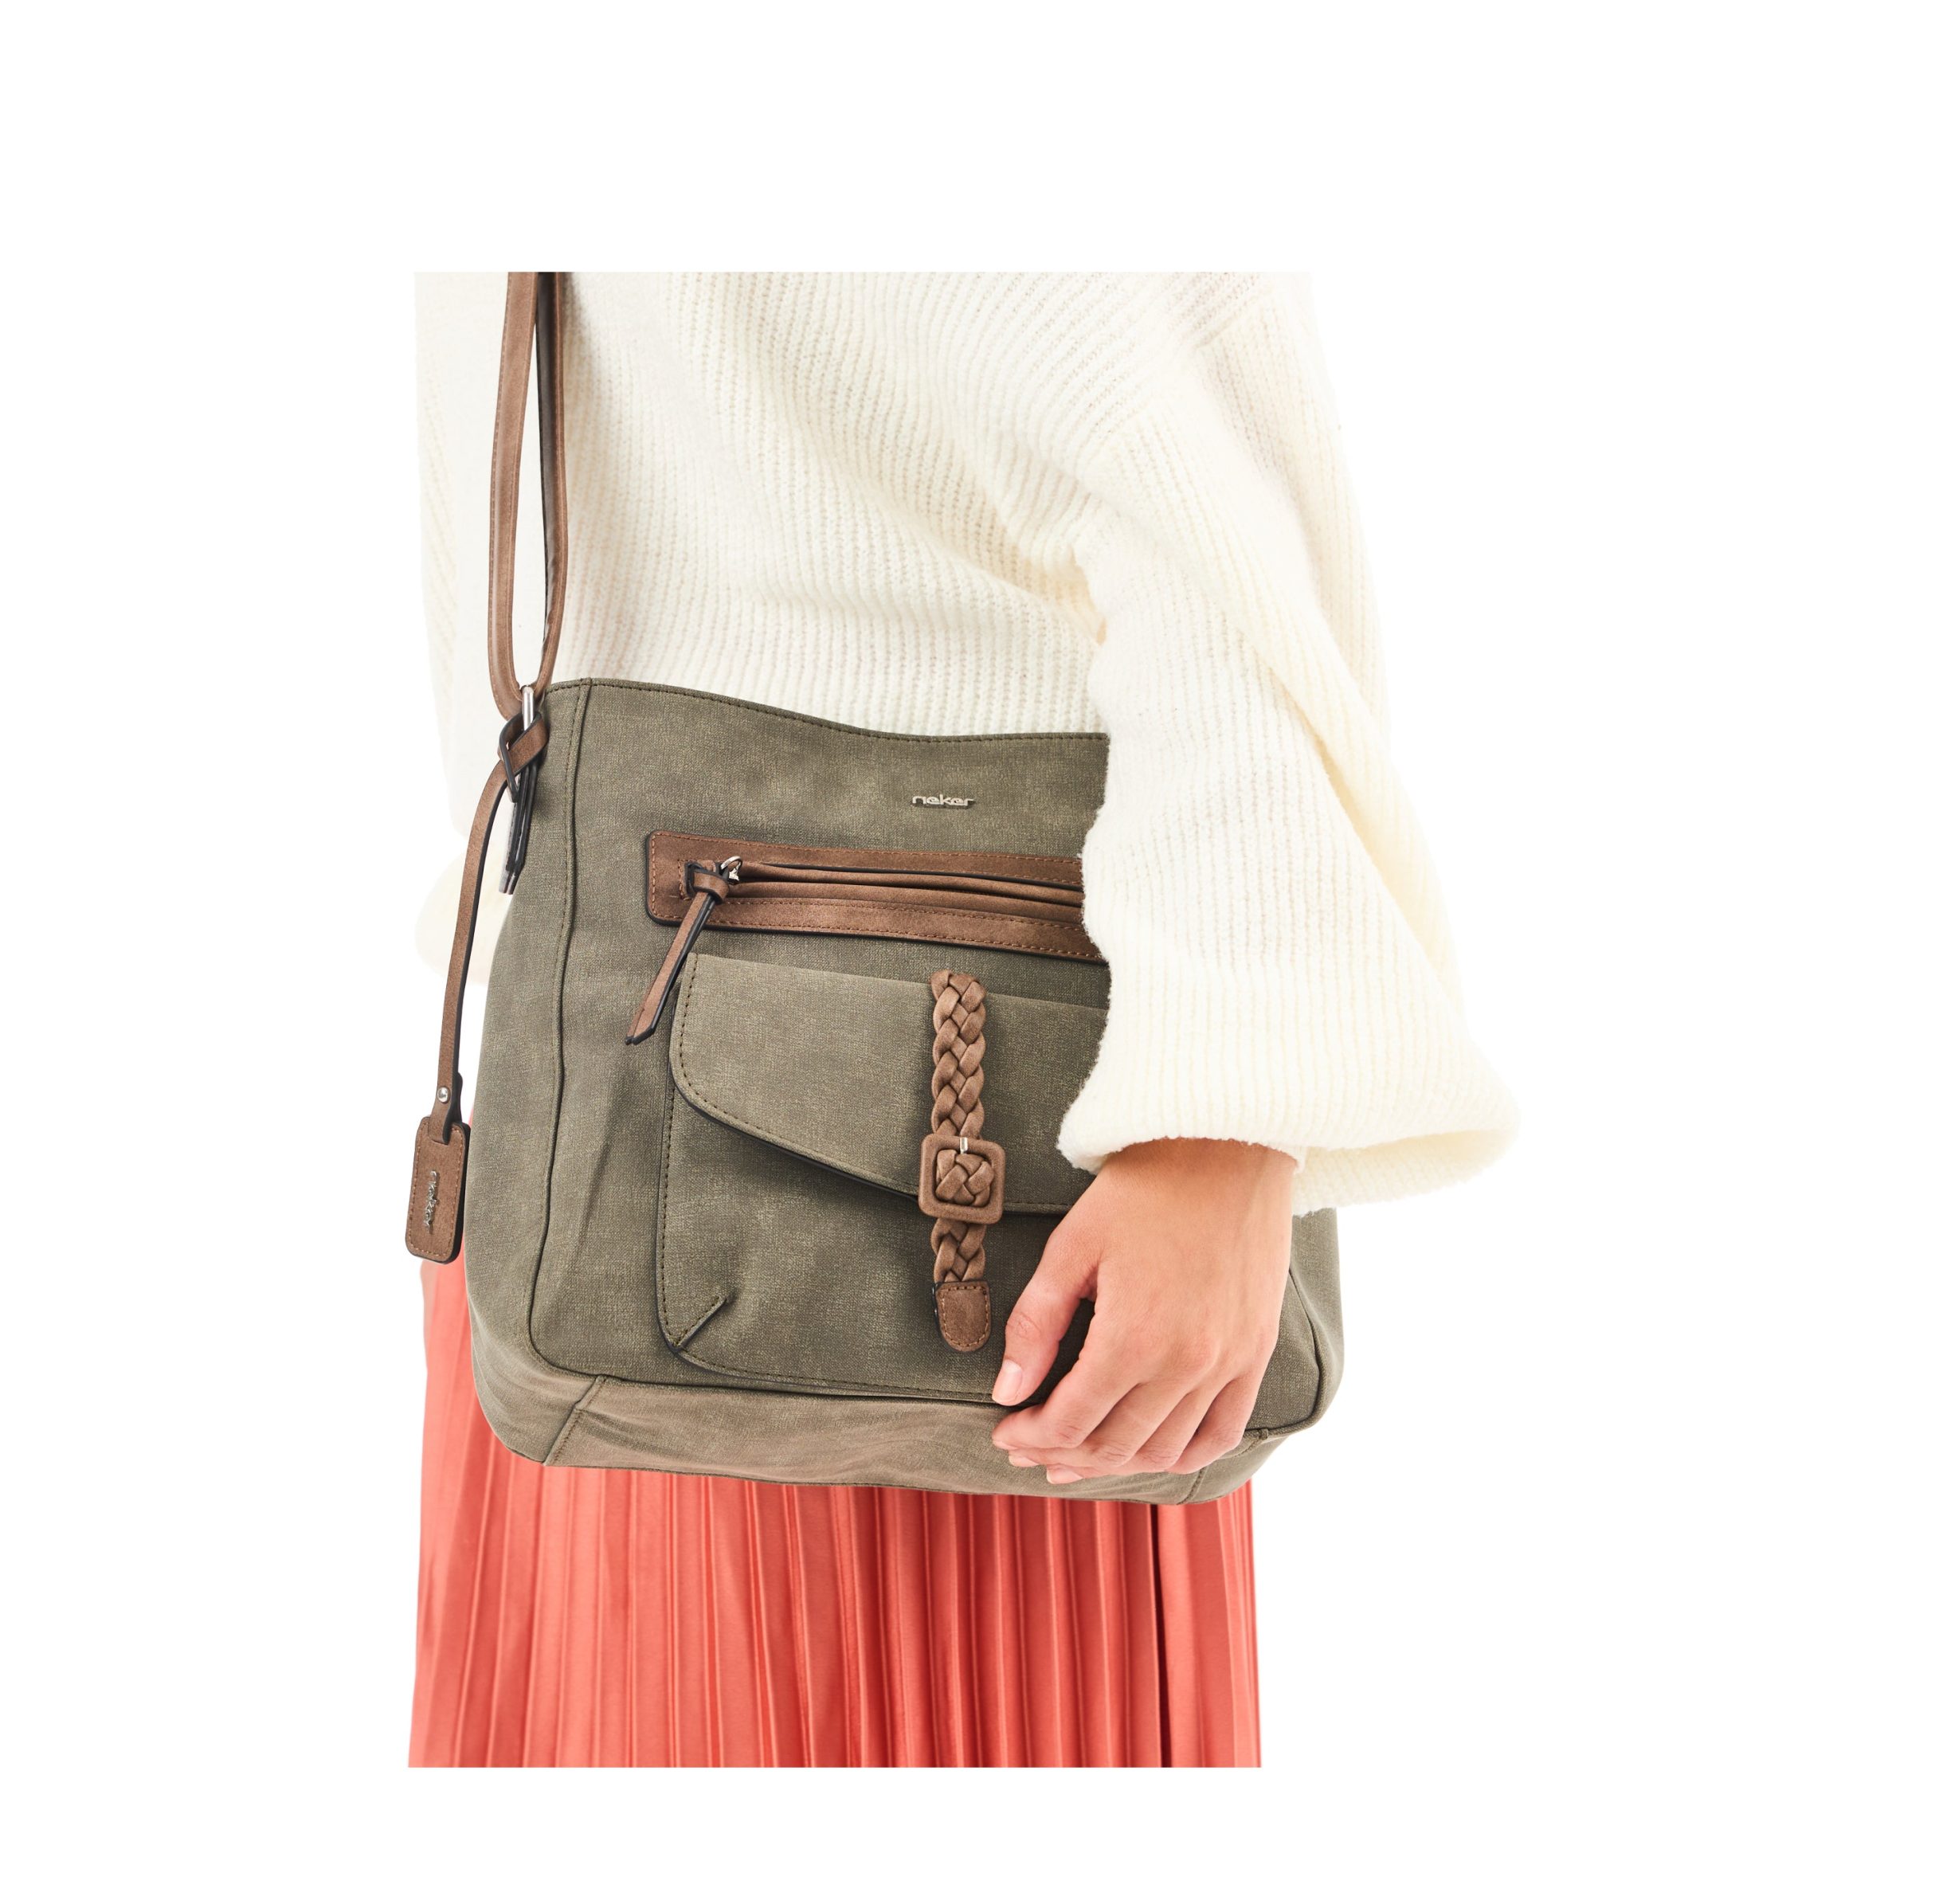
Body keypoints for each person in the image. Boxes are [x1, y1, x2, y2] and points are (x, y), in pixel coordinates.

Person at [409, 272, 1514, 1767]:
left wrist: (1217, 1115)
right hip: (654, 1170)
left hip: (821, 1169)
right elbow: (1197, 444)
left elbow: (1178, 443)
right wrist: (1221, 1108)